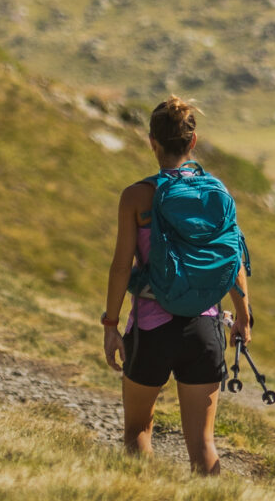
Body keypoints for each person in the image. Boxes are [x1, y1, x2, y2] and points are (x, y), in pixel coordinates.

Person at [102, 95, 250, 475]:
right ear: (193, 142)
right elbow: (233, 256)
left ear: (152, 142)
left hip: (152, 327)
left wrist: (110, 325)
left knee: (138, 430)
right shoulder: (217, 193)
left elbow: (121, 267)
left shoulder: (136, 197)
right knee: (202, 444)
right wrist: (244, 315)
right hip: (204, 327)